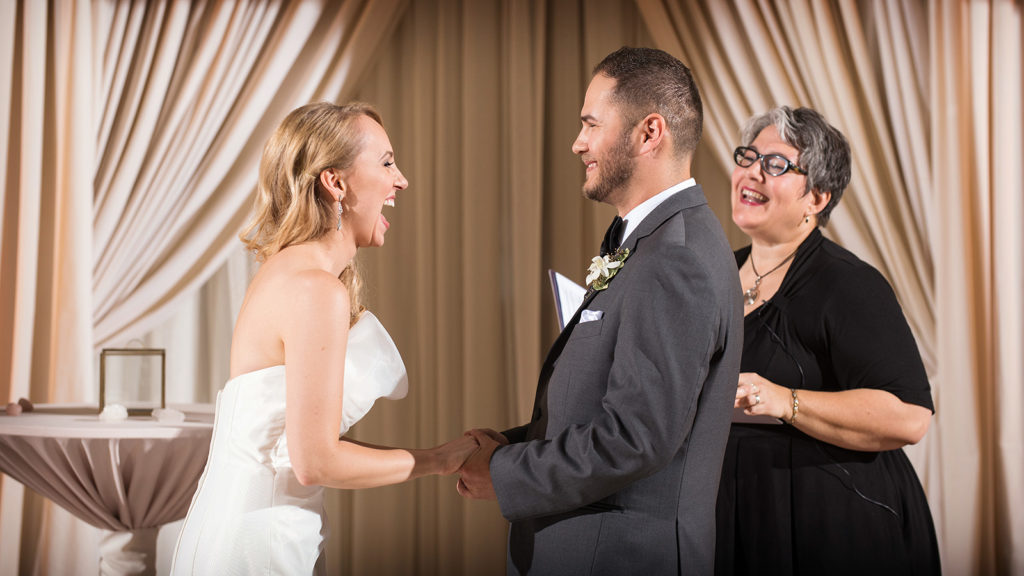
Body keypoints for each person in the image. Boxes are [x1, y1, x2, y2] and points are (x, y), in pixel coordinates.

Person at [457, 46, 743, 575]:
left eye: (591, 124)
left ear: (649, 132)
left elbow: (636, 438)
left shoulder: (677, 258)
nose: (577, 143)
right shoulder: (648, 243)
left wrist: (505, 471)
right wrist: (516, 443)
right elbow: (605, 406)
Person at [170, 102, 479, 575]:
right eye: (387, 163)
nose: (402, 181)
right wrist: (436, 461)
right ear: (334, 183)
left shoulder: (285, 273)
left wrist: (440, 455)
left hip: (240, 528)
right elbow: (315, 461)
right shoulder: (316, 290)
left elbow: (298, 451)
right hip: (258, 544)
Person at [715, 106, 940, 575]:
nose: (751, 172)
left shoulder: (849, 284)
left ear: (817, 197)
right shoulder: (713, 275)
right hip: (736, 519)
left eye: (775, 164)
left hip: (835, 523)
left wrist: (784, 401)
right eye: (747, 156)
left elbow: (910, 417)